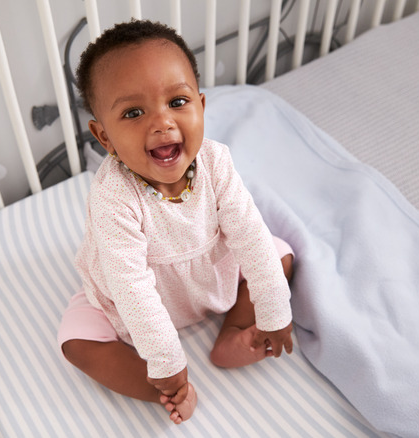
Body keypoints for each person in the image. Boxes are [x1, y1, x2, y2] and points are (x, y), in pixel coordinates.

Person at [57, 19, 294, 425]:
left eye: (178, 102)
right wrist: (165, 361)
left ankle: (234, 333)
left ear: (201, 106)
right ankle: (166, 390)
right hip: (137, 305)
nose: (161, 122)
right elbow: (131, 289)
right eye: (133, 112)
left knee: (279, 254)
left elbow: (250, 237)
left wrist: (274, 314)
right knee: (75, 342)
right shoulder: (113, 197)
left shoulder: (216, 163)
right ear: (105, 137)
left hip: (210, 276)